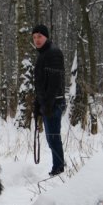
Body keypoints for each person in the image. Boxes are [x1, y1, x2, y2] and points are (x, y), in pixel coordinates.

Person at [32, 24, 66, 176]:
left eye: (39, 36)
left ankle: (58, 169)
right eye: (34, 37)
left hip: (54, 103)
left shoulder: (54, 53)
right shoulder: (43, 54)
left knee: (53, 137)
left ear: (46, 37)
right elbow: (41, 83)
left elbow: (54, 82)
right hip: (47, 103)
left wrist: (48, 104)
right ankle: (58, 167)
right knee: (51, 138)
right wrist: (37, 102)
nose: (37, 40)